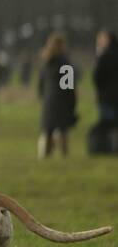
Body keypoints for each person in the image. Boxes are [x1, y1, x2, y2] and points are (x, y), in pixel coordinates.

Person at [37, 31, 77, 159]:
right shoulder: (65, 62)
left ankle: (46, 156)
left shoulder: (46, 61)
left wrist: (43, 97)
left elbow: (40, 84)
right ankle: (64, 155)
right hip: (61, 101)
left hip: (48, 100)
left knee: (48, 131)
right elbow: (69, 86)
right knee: (63, 131)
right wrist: (72, 103)